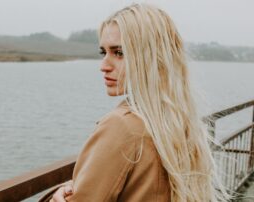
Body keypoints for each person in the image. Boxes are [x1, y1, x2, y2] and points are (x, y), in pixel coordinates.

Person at [47, 3, 230, 202]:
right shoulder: (175, 119)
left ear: (152, 58)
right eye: (104, 52)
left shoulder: (122, 126)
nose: (104, 66)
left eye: (119, 53)